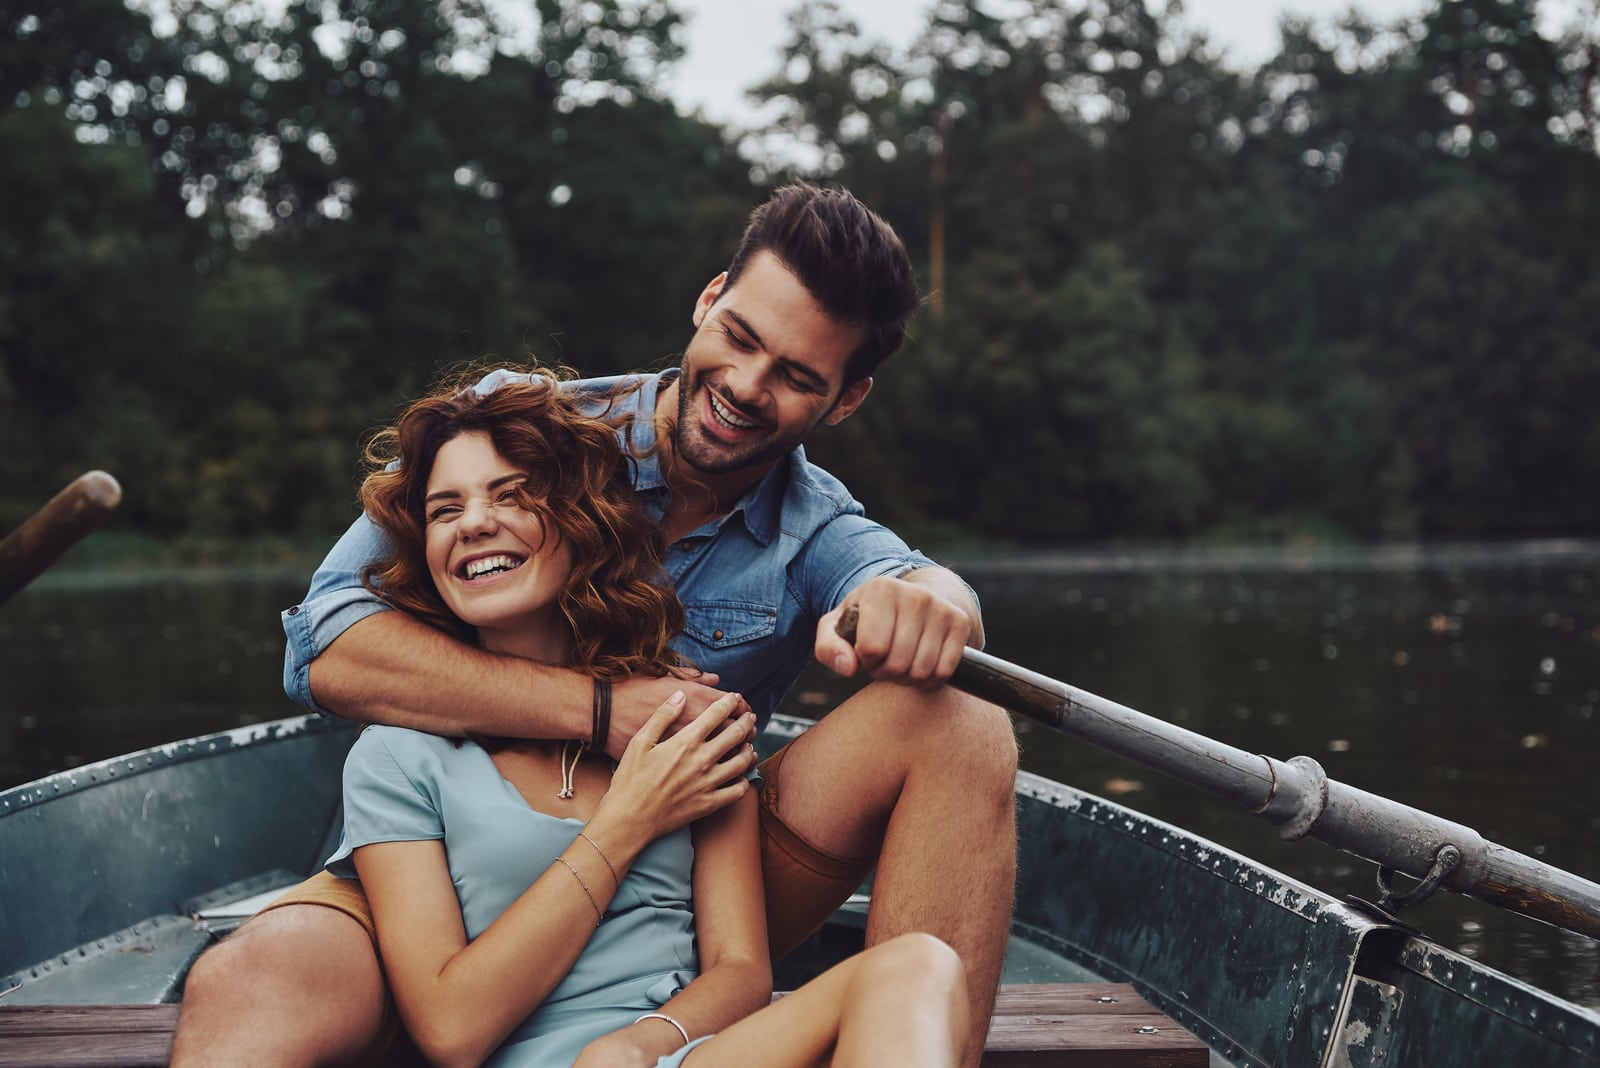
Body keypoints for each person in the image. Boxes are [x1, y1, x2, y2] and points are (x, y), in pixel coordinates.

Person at [172, 185, 1017, 1068]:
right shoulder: (526, 436)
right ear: (709, 299)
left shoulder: (817, 531)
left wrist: (936, 601)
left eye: (798, 377)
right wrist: (603, 711)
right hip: (444, 865)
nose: (745, 385)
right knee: (253, 977)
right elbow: (327, 643)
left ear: (844, 401)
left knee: (960, 718)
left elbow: (907, 578)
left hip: (679, 867)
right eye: (739, 336)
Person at [326, 371, 969, 1067]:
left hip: (681, 1056)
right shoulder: (394, 758)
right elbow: (452, 1029)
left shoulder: (685, 721)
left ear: (581, 519)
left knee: (919, 967)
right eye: (445, 510)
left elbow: (741, 970)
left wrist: (641, 1043)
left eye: (512, 494)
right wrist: (628, 820)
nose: (476, 522)